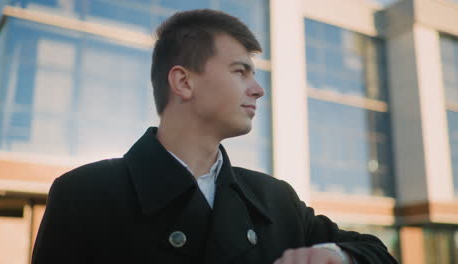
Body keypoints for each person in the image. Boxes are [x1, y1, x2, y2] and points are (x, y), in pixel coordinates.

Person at [31, 9, 398, 264]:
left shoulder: (275, 200)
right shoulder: (85, 195)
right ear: (184, 81)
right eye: (241, 72)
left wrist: (336, 255)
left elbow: (375, 252)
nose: (258, 90)